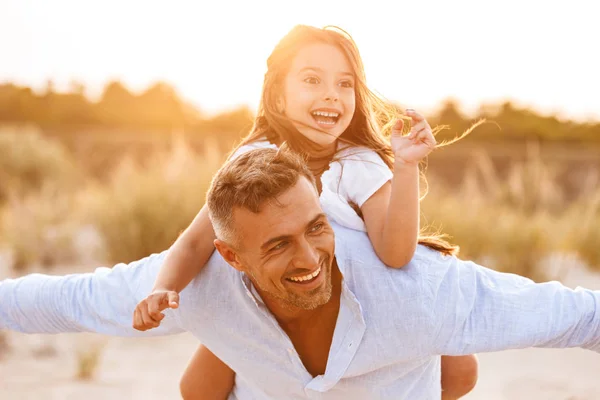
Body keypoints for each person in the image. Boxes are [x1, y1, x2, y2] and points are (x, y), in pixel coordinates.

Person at [2, 147, 600, 400]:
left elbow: (577, 317)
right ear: (231, 257)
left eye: (317, 227)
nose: (311, 259)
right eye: (279, 245)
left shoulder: (422, 294)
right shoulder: (196, 288)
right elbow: (68, 299)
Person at [135, 24, 479, 399]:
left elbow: (395, 254)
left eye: (344, 84)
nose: (331, 95)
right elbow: (195, 243)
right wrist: (163, 288)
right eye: (312, 80)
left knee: (461, 369)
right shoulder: (254, 161)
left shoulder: (358, 165)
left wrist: (406, 167)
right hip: (269, 300)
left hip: (351, 307)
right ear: (278, 97)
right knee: (196, 390)